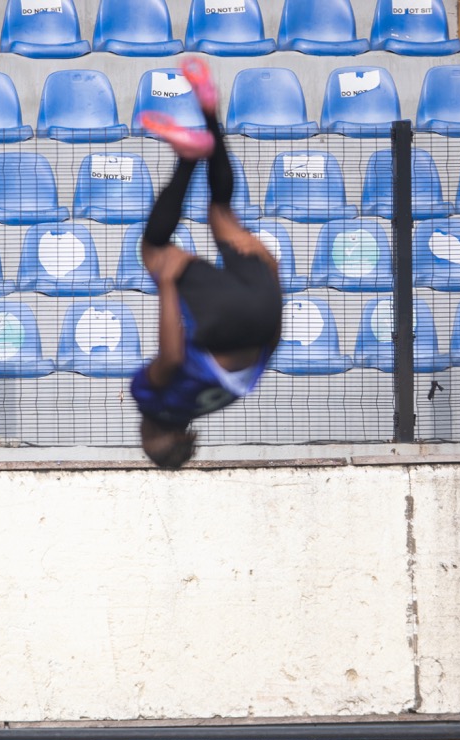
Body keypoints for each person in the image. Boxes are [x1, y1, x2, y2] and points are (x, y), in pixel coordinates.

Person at [131, 58, 283, 469]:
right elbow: (173, 359)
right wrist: (167, 284)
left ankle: (210, 112)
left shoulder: (219, 403)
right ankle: (186, 157)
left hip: (264, 312)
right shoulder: (154, 403)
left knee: (221, 214)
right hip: (225, 323)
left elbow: (270, 344)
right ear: (153, 436)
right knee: (154, 251)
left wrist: (271, 281)